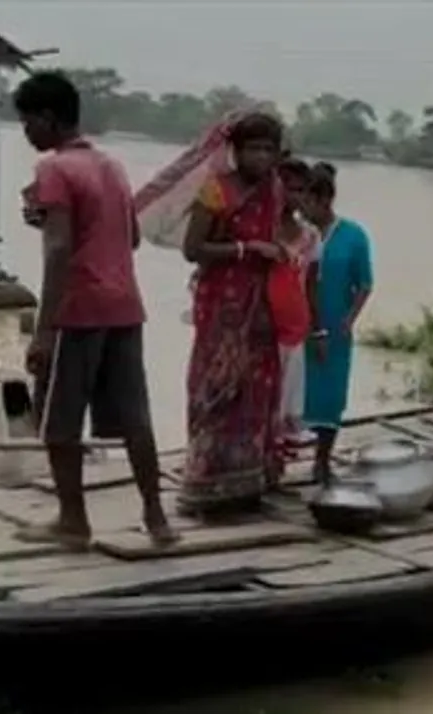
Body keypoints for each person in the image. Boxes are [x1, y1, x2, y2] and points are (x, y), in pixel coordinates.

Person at [11, 70, 176, 549]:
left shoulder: (54, 170)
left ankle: (73, 522)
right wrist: (51, 219)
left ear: (47, 118)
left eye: (27, 123)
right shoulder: (112, 167)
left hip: (77, 308)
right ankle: (157, 518)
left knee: (57, 419)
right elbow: (131, 238)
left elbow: (59, 248)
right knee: (135, 417)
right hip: (124, 305)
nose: (26, 133)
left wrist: (43, 331)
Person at [178, 112, 288, 517]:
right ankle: (206, 481)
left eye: (268, 149)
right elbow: (193, 249)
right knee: (217, 385)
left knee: (258, 388)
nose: (261, 157)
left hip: (259, 302)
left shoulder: (273, 189)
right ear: (235, 151)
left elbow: (273, 236)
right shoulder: (215, 191)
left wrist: (278, 252)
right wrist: (246, 250)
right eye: (253, 148)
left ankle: (248, 481)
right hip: (221, 305)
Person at [301, 163, 374, 484]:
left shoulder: (353, 235)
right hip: (297, 323)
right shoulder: (297, 233)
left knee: (329, 396)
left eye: (307, 199)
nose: (301, 207)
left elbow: (365, 283)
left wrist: (348, 320)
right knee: (291, 392)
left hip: (334, 324)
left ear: (323, 199)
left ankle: (322, 460)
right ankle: (278, 458)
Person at [270, 158, 321, 455]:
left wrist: (318, 330)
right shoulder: (260, 229)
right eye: (286, 187)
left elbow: (311, 285)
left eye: (300, 190)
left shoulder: (310, 236)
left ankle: (277, 464)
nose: (293, 195)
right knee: (264, 401)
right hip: (262, 328)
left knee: (288, 398)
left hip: (295, 327)